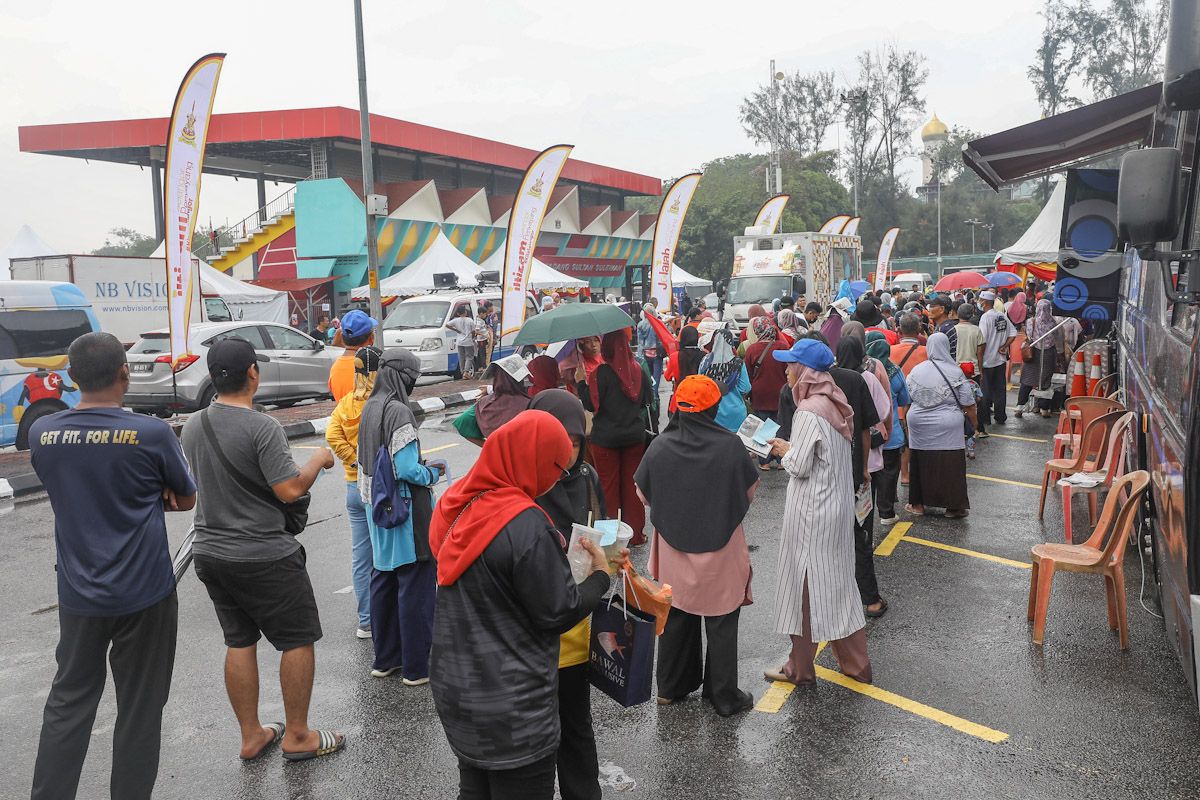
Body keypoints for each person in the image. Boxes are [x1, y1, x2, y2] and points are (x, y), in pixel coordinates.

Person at [29, 333, 196, 800]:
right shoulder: (152, 433)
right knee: (140, 709)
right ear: (125, 373)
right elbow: (185, 498)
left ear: (71, 378)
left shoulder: (44, 433)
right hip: (146, 593)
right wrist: (147, 495)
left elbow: (66, 487)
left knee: (69, 703)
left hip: (78, 594)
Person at [429, 410, 612, 799]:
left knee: (475, 787)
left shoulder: (458, 503)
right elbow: (557, 611)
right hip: (513, 704)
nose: (556, 477)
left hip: (458, 686)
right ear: (534, 460)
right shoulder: (525, 524)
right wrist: (600, 577)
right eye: (555, 467)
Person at [181, 338, 344, 762]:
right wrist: (319, 461)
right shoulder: (262, 427)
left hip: (211, 553)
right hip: (264, 555)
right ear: (252, 373)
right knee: (297, 640)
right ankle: (298, 736)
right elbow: (289, 490)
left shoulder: (194, 424)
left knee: (239, 641)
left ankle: (252, 735)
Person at [635, 375, 759, 716]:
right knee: (720, 620)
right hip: (720, 546)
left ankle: (671, 687)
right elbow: (748, 492)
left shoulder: (660, 445)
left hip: (673, 547)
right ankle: (723, 696)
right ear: (714, 408)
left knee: (676, 614)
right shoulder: (730, 446)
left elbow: (643, 495)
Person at [763, 338, 871, 686]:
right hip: (835, 507)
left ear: (806, 370)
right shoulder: (832, 402)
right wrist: (793, 450)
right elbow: (823, 456)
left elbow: (800, 464)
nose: (787, 369)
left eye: (792, 364)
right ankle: (855, 665)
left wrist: (782, 450)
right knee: (837, 587)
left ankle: (800, 669)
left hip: (813, 512)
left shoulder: (809, 409)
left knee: (805, 589)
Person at [527, 390, 606, 800]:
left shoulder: (587, 478)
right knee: (533, 737)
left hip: (576, 628)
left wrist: (610, 553)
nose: (567, 452)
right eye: (558, 440)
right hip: (529, 634)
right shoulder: (521, 485)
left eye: (575, 443)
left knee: (576, 724)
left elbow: (601, 529)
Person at [356, 349, 444, 684]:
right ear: (403, 376)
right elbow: (406, 468)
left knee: (383, 580)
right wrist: (430, 475)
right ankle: (416, 668)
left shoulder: (370, 407)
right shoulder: (399, 412)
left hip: (375, 509)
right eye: (414, 377)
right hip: (404, 511)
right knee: (415, 586)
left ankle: (385, 659)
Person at [326, 345, 383, 639]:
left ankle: (366, 620)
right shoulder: (382, 402)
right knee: (384, 554)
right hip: (379, 488)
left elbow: (331, 434)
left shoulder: (347, 403)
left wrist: (351, 459)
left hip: (352, 486)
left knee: (361, 557)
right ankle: (386, 618)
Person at [579, 329, 653, 545]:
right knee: (632, 486)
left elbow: (591, 404)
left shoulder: (600, 373)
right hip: (634, 437)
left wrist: (582, 382)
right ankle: (636, 535)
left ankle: (611, 538)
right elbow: (645, 401)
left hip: (606, 439)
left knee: (608, 488)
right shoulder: (638, 370)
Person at [834, 333, 890, 618]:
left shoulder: (823, 380)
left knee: (833, 536)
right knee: (861, 534)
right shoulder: (863, 379)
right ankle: (869, 599)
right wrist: (865, 468)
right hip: (858, 469)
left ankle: (837, 597)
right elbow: (872, 422)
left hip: (829, 470)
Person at [904, 332, 977, 518]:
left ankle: (918, 505)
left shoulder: (917, 370)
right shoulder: (955, 371)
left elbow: (907, 398)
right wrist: (974, 426)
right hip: (948, 425)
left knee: (920, 462)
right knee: (950, 464)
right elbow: (968, 403)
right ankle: (953, 508)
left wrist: (906, 421)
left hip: (918, 423)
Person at [866, 333, 910, 526]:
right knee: (889, 472)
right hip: (891, 433)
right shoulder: (894, 370)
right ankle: (886, 513)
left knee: (869, 473)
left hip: (868, 432)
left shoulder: (863, 370)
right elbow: (904, 399)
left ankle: (866, 514)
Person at [452, 356, 533, 445]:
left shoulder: (483, 404)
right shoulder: (530, 404)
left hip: (495, 456)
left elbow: (461, 424)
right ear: (519, 380)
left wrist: (488, 446)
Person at [745, 316, 790, 469]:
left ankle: (764, 462)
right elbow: (788, 370)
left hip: (760, 393)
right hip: (780, 392)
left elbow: (749, 374)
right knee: (779, 425)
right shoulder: (783, 346)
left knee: (762, 426)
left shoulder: (752, 349)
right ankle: (780, 461)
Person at [699, 326, 751, 433]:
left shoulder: (705, 361)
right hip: (736, 414)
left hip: (713, 412)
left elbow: (700, 385)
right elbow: (745, 388)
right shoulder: (738, 363)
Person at [1017, 298, 1061, 419]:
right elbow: (1056, 339)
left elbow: (1029, 336)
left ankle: (1020, 407)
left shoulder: (1031, 321)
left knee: (1027, 380)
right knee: (1045, 382)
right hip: (1048, 355)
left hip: (1033, 354)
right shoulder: (1053, 323)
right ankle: (1044, 409)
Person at [978, 300, 1017, 430]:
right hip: (1000, 360)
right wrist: (1004, 346)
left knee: (985, 390)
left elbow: (982, 340)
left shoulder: (985, 317)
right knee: (1000, 390)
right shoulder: (1002, 316)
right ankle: (1000, 416)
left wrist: (979, 358)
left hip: (987, 360)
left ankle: (985, 419)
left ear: (984, 303)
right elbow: (1013, 333)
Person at [328, 308, 378, 402]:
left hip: (343, 416)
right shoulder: (371, 365)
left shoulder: (335, 368)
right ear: (371, 339)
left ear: (342, 337)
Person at [664, 325, 704, 407]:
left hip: (679, 401)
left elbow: (667, 377)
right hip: (699, 401)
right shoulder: (704, 356)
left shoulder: (674, 356)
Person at [636, 301, 665, 391]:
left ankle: (650, 397)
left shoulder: (640, 325)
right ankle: (655, 396)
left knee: (648, 378)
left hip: (646, 353)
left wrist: (639, 356)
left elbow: (640, 342)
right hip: (657, 353)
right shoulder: (658, 322)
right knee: (656, 378)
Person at [445, 305, 477, 379]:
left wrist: (456, 330)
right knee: (469, 357)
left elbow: (447, 325)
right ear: (465, 312)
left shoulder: (456, 320)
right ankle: (466, 372)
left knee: (461, 357)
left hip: (459, 342)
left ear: (458, 313)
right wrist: (473, 337)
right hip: (468, 341)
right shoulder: (470, 320)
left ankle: (462, 372)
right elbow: (473, 331)